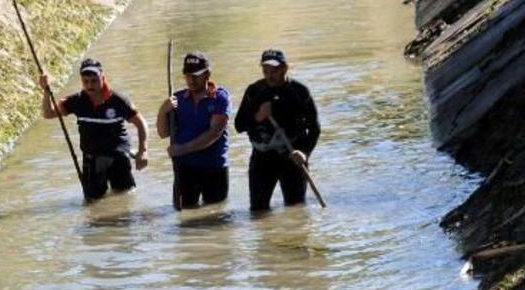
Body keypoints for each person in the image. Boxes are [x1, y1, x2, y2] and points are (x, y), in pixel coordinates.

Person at [40, 58, 149, 200]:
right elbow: (48, 114)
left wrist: (143, 151)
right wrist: (46, 91)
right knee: (92, 201)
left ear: (102, 78)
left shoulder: (118, 100)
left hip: (117, 155)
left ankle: (130, 154)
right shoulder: (77, 101)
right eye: (86, 81)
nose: (90, 85)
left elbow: (141, 123)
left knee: (125, 196)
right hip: (92, 158)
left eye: (94, 80)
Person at [235, 49, 320, 211]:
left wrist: (304, 153)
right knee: (258, 210)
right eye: (265, 71)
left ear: (284, 68)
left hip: (293, 157)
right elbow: (239, 125)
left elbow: (315, 128)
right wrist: (258, 117)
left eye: (273, 71)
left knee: (296, 210)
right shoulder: (254, 91)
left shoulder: (299, 92)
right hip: (262, 157)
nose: (269, 76)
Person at [156, 52, 231, 207]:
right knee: (185, 216)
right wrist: (163, 111)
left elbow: (214, 133)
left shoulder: (220, 98)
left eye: (196, 75)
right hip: (185, 169)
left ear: (207, 74)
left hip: (214, 167)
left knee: (215, 216)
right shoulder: (177, 99)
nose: (191, 79)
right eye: (188, 75)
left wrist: (182, 149)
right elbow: (163, 133)